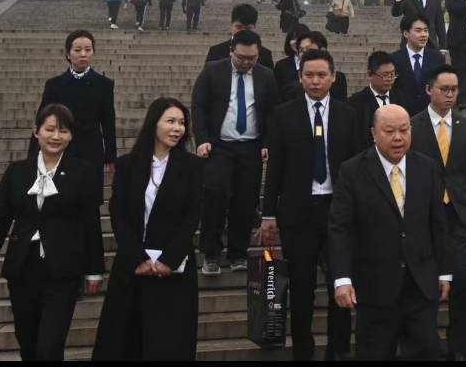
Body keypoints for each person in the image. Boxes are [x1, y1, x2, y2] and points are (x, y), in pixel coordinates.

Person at [0, 104, 103, 361]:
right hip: (23, 269)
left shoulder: (83, 172)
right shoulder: (17, 172)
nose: (56, 136)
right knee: (29, 346)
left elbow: (91, 223)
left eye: (64, 131)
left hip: (63, 271)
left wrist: (94, 269)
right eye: (50, 129)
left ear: (71, 136)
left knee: (50, 347)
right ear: (36, 131)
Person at [259, 50, 363, 361]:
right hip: (298, 214)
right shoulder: (283, 114)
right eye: (309, 75)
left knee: (341, 282)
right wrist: (268, 213)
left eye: (321, 75)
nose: (315, 81)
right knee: (301, 289)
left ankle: (338, 350)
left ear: (333, 77)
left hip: (338, 212)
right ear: (300, 77)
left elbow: (359, 165)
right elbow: (275, 167)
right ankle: (303, 351)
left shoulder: (349, 115)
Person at [330, 104, 452, 360]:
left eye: (404, 130)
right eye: (389, 131)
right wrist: (342, 278)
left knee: (427, 350)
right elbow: (340, 228)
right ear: (374, 133)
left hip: (420, 283)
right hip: (374, 285)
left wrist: (444, 271)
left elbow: (438, 223)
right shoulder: (352, 171)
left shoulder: (426, 167)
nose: (398, 138)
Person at [92, 98, 203, 360]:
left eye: (182, 123)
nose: (178, 128)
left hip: (174, 269)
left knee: (168, 342)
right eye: (171, 121)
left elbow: (192, 217)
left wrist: (168, 259)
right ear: (154, 123)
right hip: (132, 266)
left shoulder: (192, 167)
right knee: (124, 339)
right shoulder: (127, 164)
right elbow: (118, 213)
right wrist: (138, 258)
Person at [409, 65, 466, 360]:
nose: (451, 95)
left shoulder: (465, 126)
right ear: (429, 89)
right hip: (423, 216)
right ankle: (425, 345)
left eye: (455, 89)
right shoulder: (412, 125)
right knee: (423, 284)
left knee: (463, 282)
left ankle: (460, 347)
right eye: (445, 89)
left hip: (458, 216)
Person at [190, 30, 278, 275]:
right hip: (219, 146)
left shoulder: (266, 76)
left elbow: (272, 113)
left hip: (250, 147)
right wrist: (202, 139)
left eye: (252, 58)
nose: (246, 62)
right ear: (231, 51)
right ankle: (211, 253)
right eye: (241, 57)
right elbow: (198, 106)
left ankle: (238, 252)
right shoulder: (212, 71)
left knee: (246, 201)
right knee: (215, 195)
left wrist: (267, 143)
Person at [28, 31, 116, 194]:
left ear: (93, 52)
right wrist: (33, 153)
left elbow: (108, 121)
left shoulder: (104, 84)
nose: (83, 54)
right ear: (68, 54)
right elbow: (42, 120)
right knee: (61, 196)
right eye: (77, 50)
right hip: (60, 149)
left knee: (89, 200)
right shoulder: (54, 85)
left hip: (91, 150)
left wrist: (111, 155)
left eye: (88, 50)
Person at [348, 51, 413, 138]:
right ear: (369, 74)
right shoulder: (355, 103)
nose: (389, 79)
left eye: (392, 74)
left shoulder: (403, 99)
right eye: (385, 75)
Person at [390, 14, 445, 116]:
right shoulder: (394, 59)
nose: (424, 34)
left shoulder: (437, 58)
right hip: (402, 116)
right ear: (406, 33)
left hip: (430, 116)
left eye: (426, 30)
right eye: (418, 31)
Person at [204, 3, 275, 69]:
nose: (243, 31)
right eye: (239, 27)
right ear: (231, 26)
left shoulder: (265, 55)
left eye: (248, 28)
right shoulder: (216, 52)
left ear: (254, 28)